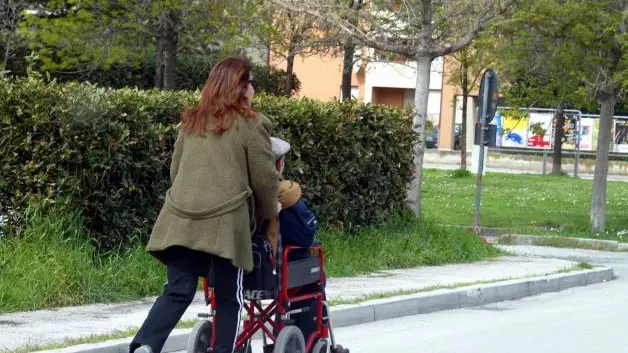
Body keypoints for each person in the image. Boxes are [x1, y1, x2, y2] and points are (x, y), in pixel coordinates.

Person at [130, 57, 280, 353]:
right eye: (251, 83)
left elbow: (176, 172)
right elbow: (265, 182)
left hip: (181, 219)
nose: (253, 90)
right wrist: (268, 216)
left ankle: (145, 346)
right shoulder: (253, 124)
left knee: (177, 291)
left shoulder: (191, 121)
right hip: (227, 223)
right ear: (240, 87)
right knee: (228, 297)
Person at [270, 137, 327, 344]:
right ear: (279, 164)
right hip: (279, 273)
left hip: (242, 269)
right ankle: (305, 334)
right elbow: (306, 235)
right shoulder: (284, 194)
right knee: (314, 263)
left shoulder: (235, 191)